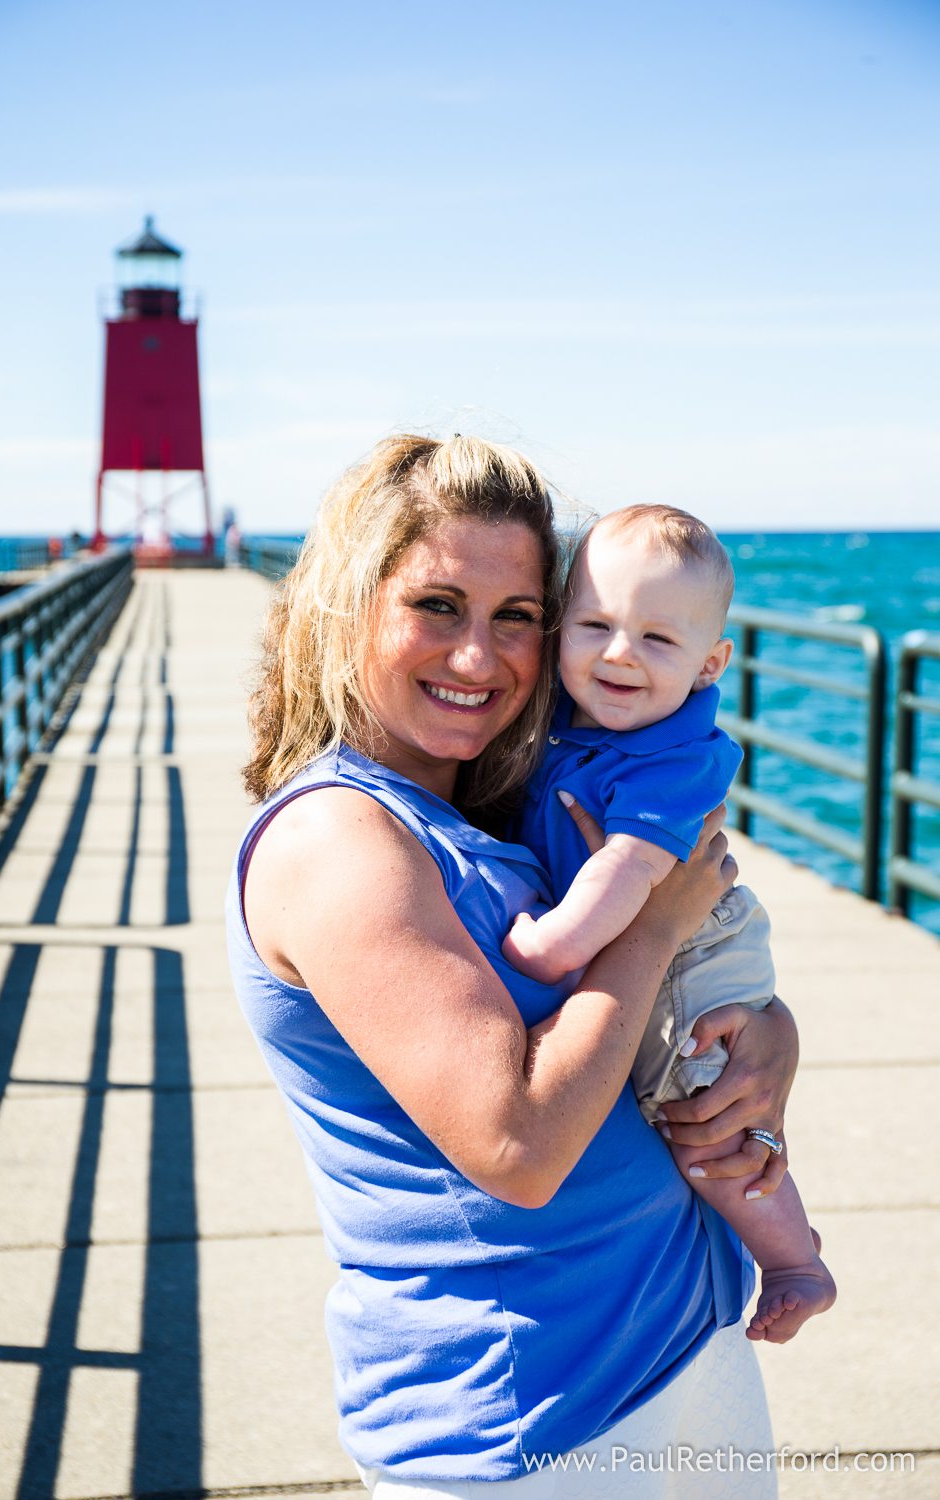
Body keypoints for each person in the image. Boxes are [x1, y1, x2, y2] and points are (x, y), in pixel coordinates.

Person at [227, 435, 800, 1498]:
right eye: (436, 606)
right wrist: (652, 930)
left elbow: (647, 1000)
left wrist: (766, 1041)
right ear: (347, 604)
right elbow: (516, 1141)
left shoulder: (491, 798)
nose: (479, 658)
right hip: (527, 1417)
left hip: (680, 1329)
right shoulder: (337, 838)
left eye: (519, 617)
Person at [502, 505, 836, 1344]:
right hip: (640, 923)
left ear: (708, 665)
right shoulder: (565, 719)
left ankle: (795, 1260)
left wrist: (555, 943)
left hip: (695, 943)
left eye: (658, 639)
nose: (619, 652)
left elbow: (632, 871)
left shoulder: (676, 754)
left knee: (704, 1113)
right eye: (596, 625)